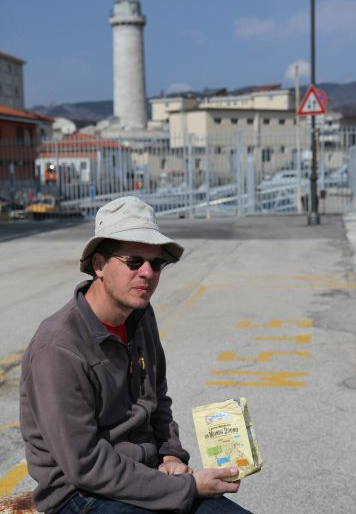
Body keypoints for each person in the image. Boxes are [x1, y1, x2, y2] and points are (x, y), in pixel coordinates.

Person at [20, 196, 253, 514]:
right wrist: (187, 487)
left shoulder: (140, 316)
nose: (147, 273)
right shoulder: (58, 347)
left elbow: (158, 399)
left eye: (156, 263)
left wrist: (171, 455)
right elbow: (84, 464)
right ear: (99, 265)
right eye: (134, 262)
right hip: (81, 494)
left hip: (146, 475)